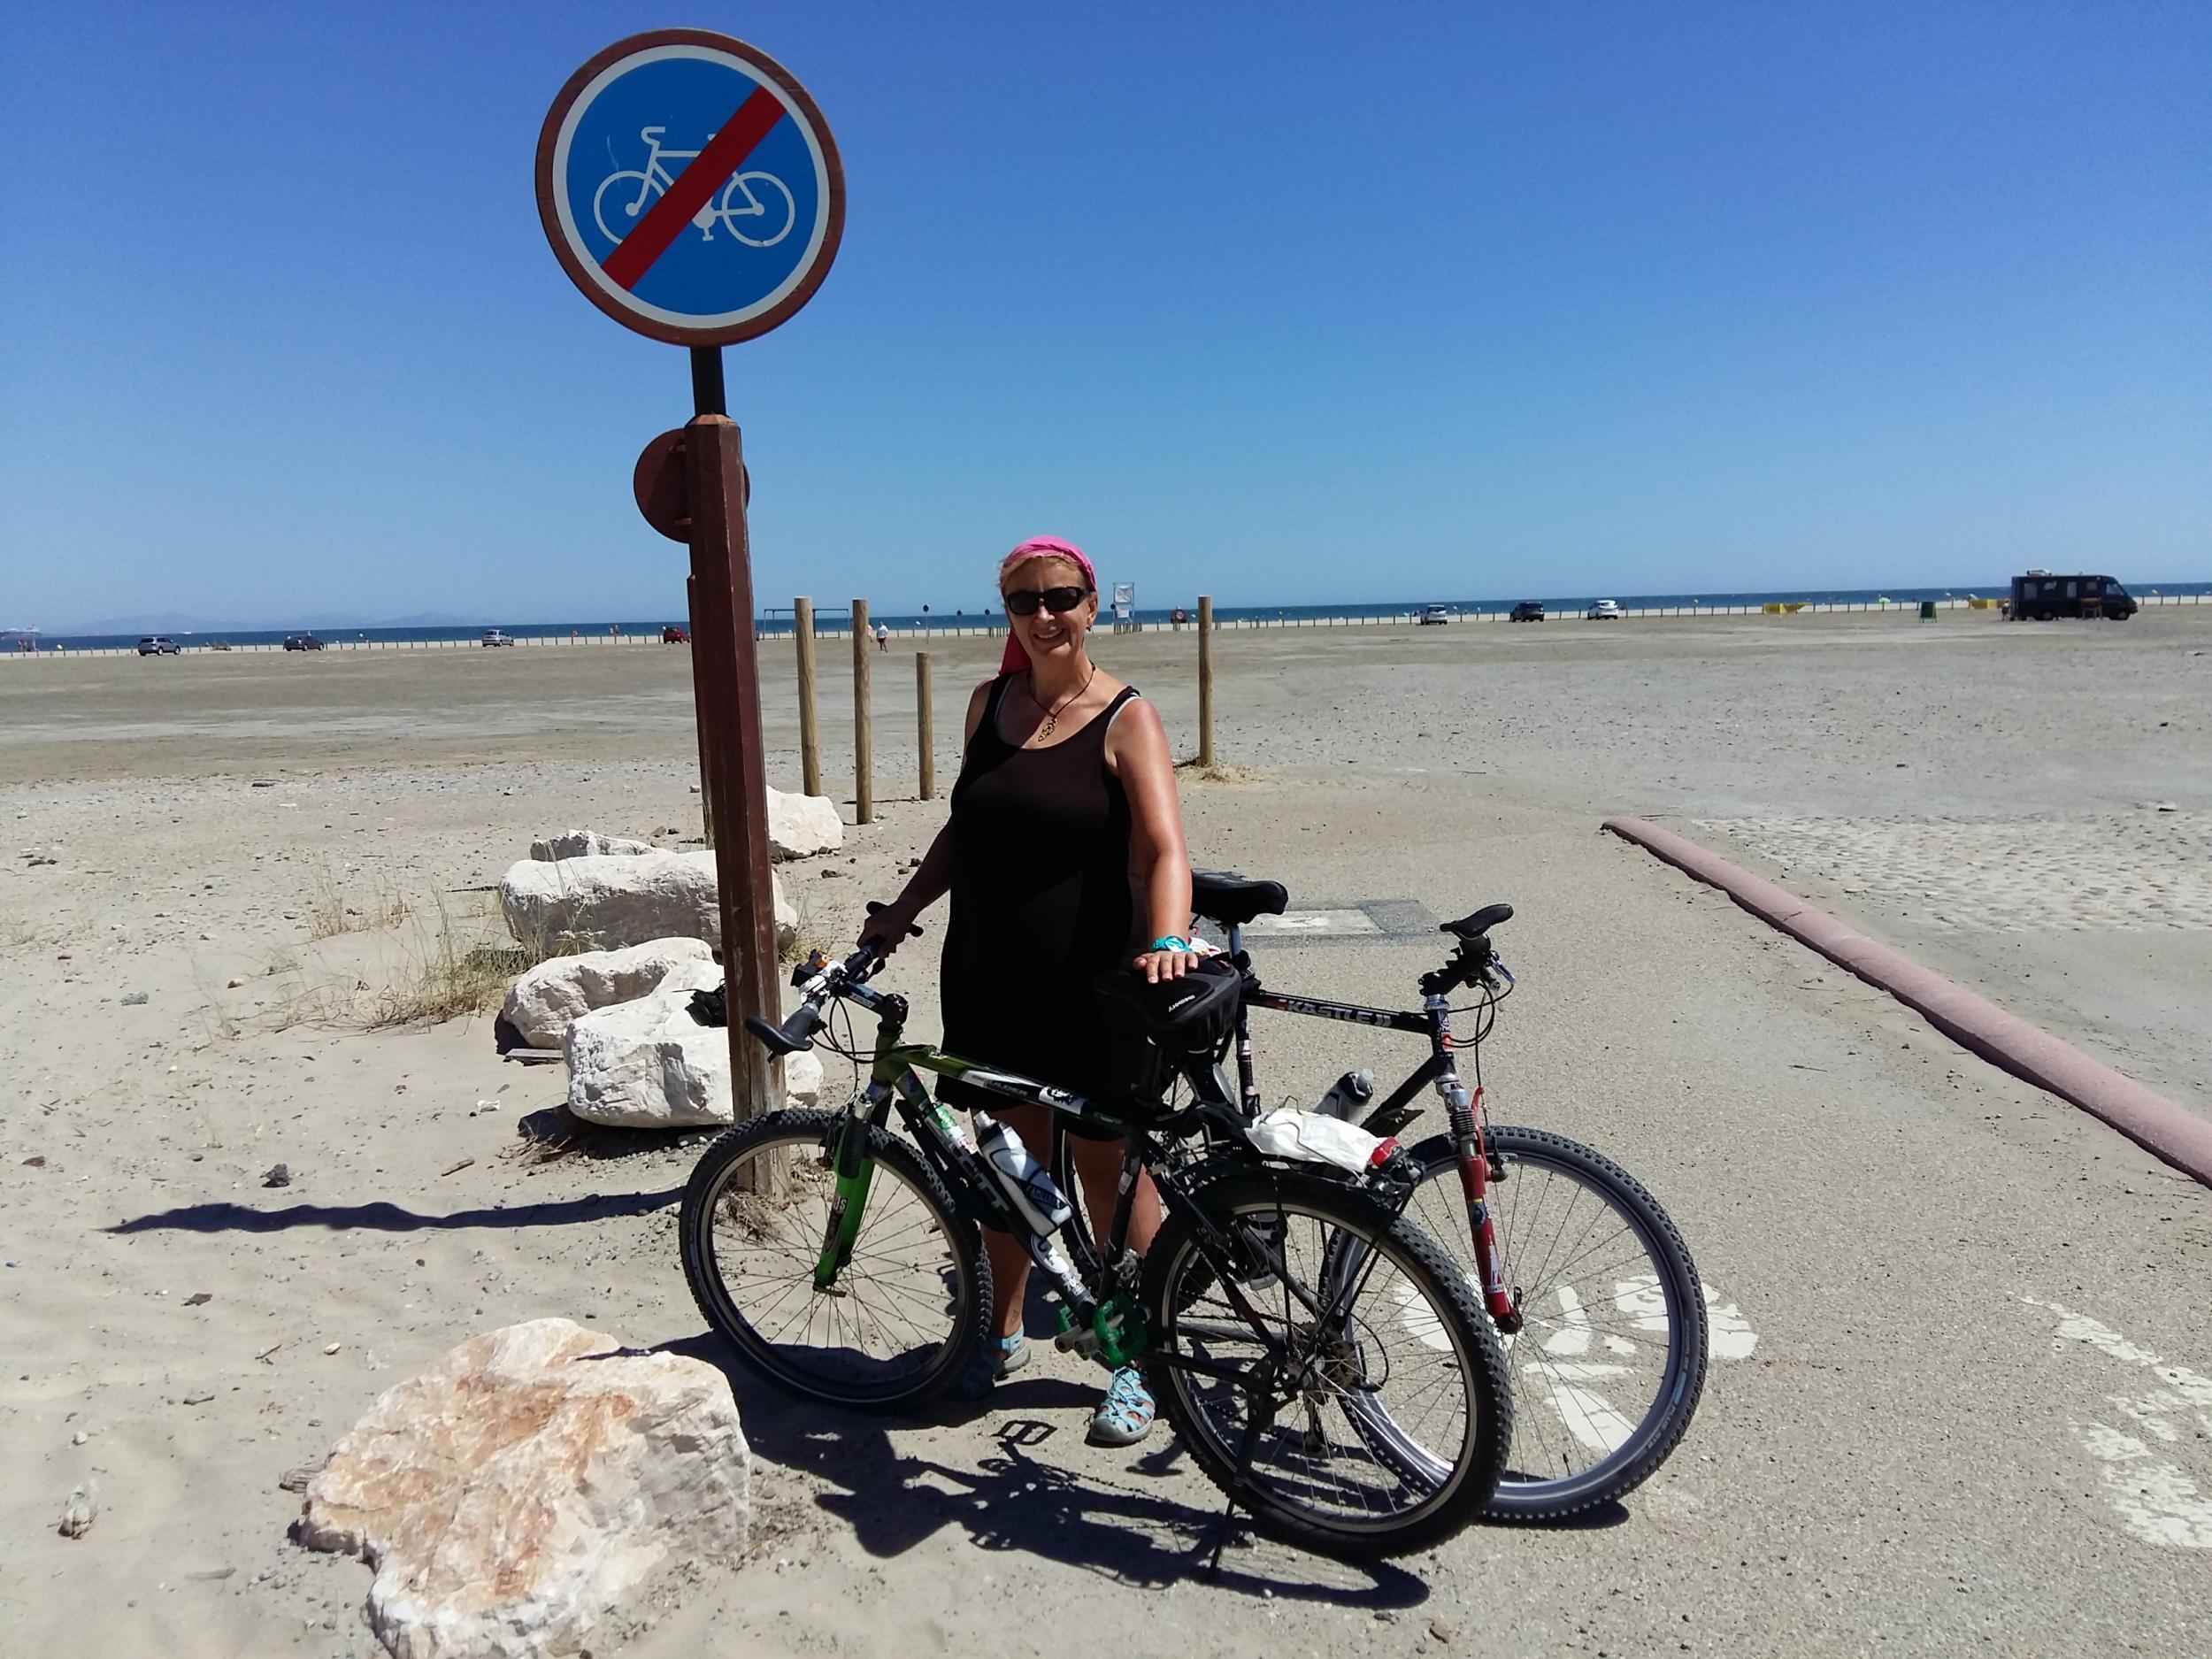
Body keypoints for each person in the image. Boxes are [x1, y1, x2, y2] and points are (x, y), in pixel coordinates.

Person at [860, 535, 1199, 1447]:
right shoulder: (986, 705)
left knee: (1106, 1171)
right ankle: (1000, 1331)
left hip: (1092, 985)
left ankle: (1141, 1356)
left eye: (1061, 597)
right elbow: (965, 830)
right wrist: (901, 907)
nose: (1043, 615)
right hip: (989, 973)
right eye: (1023, 601)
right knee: (1005, 1165)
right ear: (1004, 611)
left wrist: (1168, 936)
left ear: (1093, 605)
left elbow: (1166, 850)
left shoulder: (1127, 715)